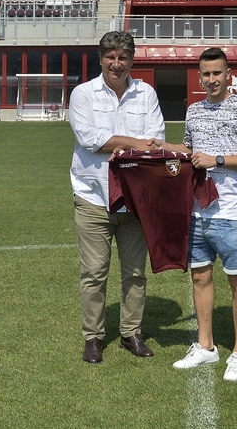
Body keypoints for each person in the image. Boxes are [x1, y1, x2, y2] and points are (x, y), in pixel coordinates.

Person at [150, 46, 237, 382]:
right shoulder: (194, 111)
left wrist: (217, 159)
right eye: (206, 74)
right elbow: (191, 152)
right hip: (197, 212)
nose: (212, 79)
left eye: (217, 73)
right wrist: (165, 147)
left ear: (228, 75)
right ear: (199, 77)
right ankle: (206, 346)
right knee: (200, 277)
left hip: (229, 212)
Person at [68, 30, 165, 364]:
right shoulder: (83, 94)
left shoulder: (146, 93)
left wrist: (121, 145)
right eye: (110, 57)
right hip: (93, 197)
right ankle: (93, 338)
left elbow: (156, 139)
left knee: (135, 272)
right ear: (101, 59)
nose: (116, 63)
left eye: (123, 57)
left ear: (132, 60)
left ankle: (130, 333)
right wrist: (133, 143)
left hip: (135, 200)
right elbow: (89, 138)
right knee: (94, 273)